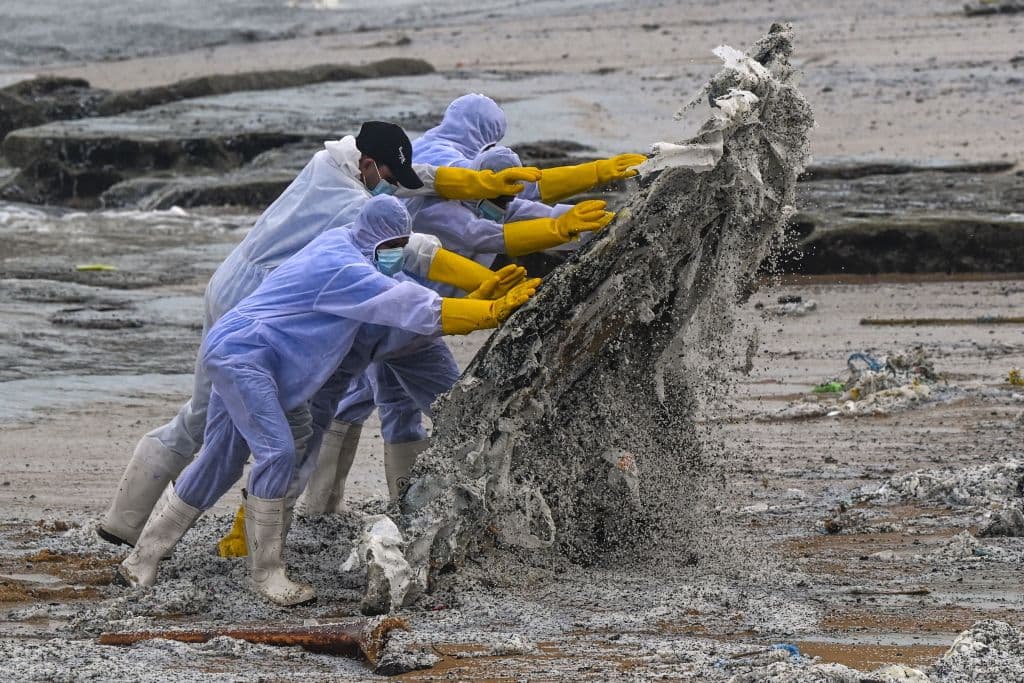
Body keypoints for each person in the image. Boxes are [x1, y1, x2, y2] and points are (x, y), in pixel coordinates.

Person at [98, 120, 541, 549]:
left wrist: (481, 187)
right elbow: (415, 253)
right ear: (367, 164)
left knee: (211, 417)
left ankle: (127, 523)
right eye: (388, 174)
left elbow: (420, 179)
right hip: (255, 304)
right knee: (249, 427)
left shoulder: (328, 163)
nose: (393, 185)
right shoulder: (348, 208)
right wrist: (482, 295)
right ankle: (225, 535)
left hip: (236, 284)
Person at [117, 196, 540, 605]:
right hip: (245, 355)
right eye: (391, 247)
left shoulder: (344, 238)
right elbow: (405, 302)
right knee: (277, 451)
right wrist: (486, 312)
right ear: (375, 240)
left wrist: (477, 290)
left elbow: (406, 270)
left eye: (400, 246)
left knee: (221, 459)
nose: (396, 254)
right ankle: (267, 572)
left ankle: (143, 558)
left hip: (232, 345)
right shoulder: (345, 269)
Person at [298, 142, 645, 514]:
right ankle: (356, 508)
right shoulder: (439, 210)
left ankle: (368, 508)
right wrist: (492, 303)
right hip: (409, 323)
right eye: (494, 194)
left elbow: (533, 202)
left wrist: (614, 220)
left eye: (505, 199)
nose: (501, 206)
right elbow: (480, 236)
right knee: (459, 414)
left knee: (385, 406)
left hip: (413, 328)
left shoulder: (496, 202)